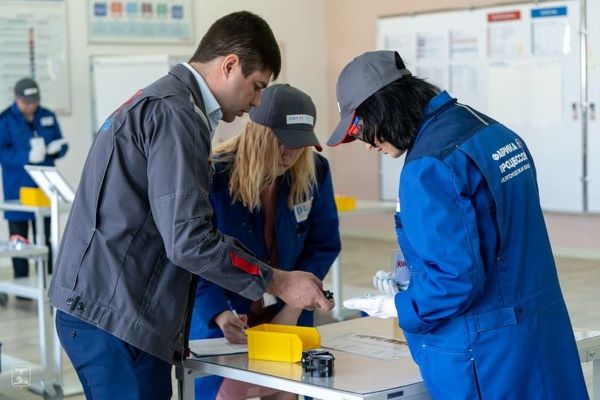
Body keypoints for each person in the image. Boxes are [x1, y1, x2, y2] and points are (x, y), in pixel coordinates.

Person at [49, 12, 333, 400]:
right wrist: (279, 282)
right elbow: (190, 241)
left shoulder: (171, 104)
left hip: (122, 309)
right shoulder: (177, 114)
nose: (257, 101)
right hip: (112, 316)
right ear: (229, 65)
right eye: (256, 86)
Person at [330, 51, 588, 399]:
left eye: (359, 130)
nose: (367, 145)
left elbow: (454, 279)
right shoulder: (493, 132)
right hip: (538, 331)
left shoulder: (428, 167)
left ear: (383, 107)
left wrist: (401, 306)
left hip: (485, 352)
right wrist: (414, 280)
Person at [189, 83, 341, 400]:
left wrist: (293, 307)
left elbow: (323, 244)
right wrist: (219, 313)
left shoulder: (315, 171)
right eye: (282, 143)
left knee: (289, 389)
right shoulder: (214, 173)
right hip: (229, 319)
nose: (290, 154)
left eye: (299, 144)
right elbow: (195, 254)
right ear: (258, 134)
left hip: (287, 319)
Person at [0, 78, 68, 280]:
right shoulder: (5, 119)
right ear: (17, 98)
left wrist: (56, 150)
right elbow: (2, 152)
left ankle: (48, 284)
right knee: (19, 242)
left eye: (34, 102)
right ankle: (22, 287)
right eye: (26, 103)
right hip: (17, 190)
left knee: (47, 241)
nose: (31, 107)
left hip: (44, 189)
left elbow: (62, 143)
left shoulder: (47, 115)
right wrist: (26, 157)